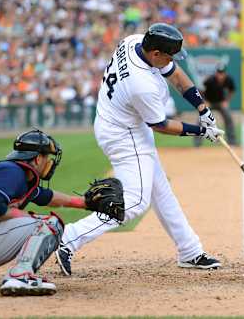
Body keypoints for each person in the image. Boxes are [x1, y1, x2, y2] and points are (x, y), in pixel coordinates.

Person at [55, 23, 224, 275]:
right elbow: (161, 125)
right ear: (155, 53)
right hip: (125, 134)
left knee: (161, 191)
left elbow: (176, 75)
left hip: (120, 121)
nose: (171, 60)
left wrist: (202, 108)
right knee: (134, 202)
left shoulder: (136, 41)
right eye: (168, 55)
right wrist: (200, 131)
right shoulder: (140, 84)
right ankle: (67, 239)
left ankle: (189, 250)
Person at [0, 129, 91, 296]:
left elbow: (48, 197)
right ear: (38, 158)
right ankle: (20, 276)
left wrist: (86, 204)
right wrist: (26, 217)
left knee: (36, 220)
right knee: (48, 224)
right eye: (47, 157)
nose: (49, 163)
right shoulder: (12, 172)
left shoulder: (17, 175)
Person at [194, 63, 237, 147]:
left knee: (229, 118)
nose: (220, 75)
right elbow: (200, 90)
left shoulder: (228, 79)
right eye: (218, 73)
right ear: (216, 73)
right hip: (209, 102)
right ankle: (197, 143)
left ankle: (232, 141)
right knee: (201, 120)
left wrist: (227, 101)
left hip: (221, 102)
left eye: (222, 73)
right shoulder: (210, 80)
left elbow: (232, 90)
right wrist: (204, 101)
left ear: (225, 73)